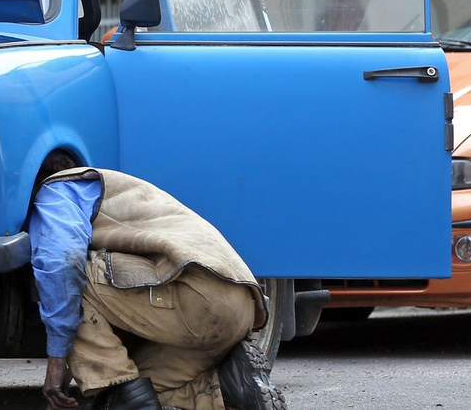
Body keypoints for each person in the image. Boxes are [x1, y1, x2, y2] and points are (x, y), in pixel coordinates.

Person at [30, 167, 287, 410]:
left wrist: (57, 361)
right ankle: (228, 389)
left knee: (66, 283)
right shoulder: (126, 190)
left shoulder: (57, 192)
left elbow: (62, 264)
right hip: (240, 307)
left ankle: (126, 397)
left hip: (197, 294)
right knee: (138, 387)